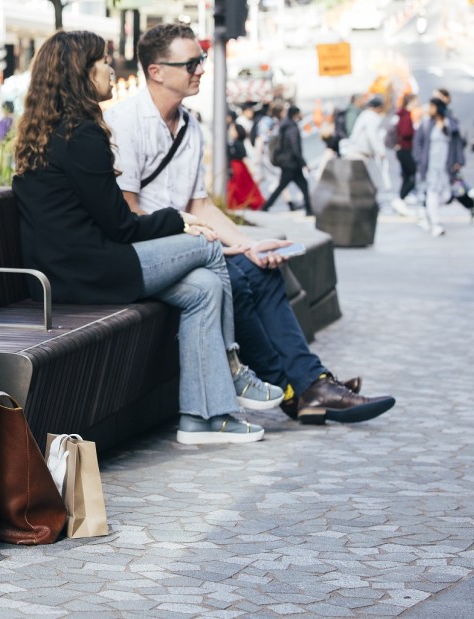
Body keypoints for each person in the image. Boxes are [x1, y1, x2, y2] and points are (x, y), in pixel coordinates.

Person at [107, 23, 393, 425]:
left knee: (260, 268)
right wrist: (203, 240)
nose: (200, 70)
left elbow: (201, 205)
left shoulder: (190, 127)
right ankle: (301, 389)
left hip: (193, 243)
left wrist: (247, 245)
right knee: (236, 278)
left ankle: (310, 384)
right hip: (151, 252)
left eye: (202, 60)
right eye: (190, 63)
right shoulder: (125, 122)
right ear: (156, 71)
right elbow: (129, 211)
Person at [12, 30, 281, 446]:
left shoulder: (49, 133)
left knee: (205, 287)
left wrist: (178, 222)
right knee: (208, 246)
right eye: (102, 62)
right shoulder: (83, 136)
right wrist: (177, 221)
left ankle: (200, 419)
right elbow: (121, 225)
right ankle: (230, 364)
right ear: (79, 74)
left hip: (66, 270)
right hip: (90, 273)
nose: (111, 69)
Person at [414, 98, 466, 238]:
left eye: (432, 107)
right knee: (432, 193)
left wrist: (459, 161)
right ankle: (436, 224)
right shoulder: (426, 124)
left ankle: (427, 211)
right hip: (431, 165)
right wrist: (419, 159)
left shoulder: (451, 124)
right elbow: (418, 143)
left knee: (446, 196)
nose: (430, 110)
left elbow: (458, 144)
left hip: (445, 165)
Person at [433, 88, 474, 221]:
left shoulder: (448, 119)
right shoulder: (434, 119)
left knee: (455, 188)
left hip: (449, 161)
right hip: (439, 162)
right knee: (441, 188)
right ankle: (429, 214)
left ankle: (472, 205)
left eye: (437, 96)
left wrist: (458, 160)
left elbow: (456, 142)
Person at [262, 106, 312, 216]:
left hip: (288, 164)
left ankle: (266, 206)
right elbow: (295, 148)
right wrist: (304, 163)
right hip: (292, 164)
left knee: (285, 187)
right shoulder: (292, 128)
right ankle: (309, 210)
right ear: (295, 114)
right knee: (298, 186)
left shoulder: (285, 126)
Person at [346, 96, 390, 193]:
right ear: (378, 107)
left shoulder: (365, 115)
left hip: (355, 151)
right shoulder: (371, 117)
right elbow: (372, 136)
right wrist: (380, 151)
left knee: (360, 180)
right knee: (361, 181)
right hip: (359, 153)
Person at [226, 113, 263, 211]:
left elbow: (244, 157)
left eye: (232, 130)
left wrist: (252, 169)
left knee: (236, 187)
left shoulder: (237, 144)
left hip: (237, 167)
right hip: (238, 167)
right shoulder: (236, 143)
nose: (230, 131)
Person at [394, 93, 418, 207]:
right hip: (405, 148)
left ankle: (402, 198)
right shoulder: (406, 116)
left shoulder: (403, 114)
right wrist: (414, 132)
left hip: (402, 148)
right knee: (413, 173)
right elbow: (405, 132)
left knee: (407, 175)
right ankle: (401, 197)